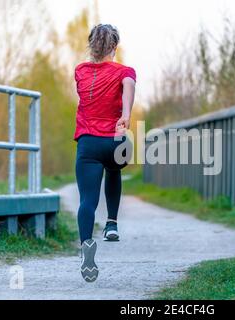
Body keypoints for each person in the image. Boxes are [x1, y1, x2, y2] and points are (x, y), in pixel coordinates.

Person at [73, 24, 136, 282]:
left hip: (87, 143)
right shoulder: (125, 71)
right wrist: (126, 115)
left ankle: (86, 243)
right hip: (113, 141)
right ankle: (111, 223)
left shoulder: (80, 71)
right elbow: (129, 85)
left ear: (92, 45)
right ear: (114, 46)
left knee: (87, 200)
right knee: (115, 166)